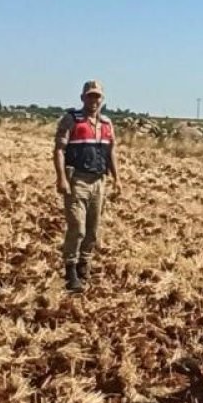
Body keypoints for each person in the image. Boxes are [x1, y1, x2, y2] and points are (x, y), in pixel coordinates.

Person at [54, 80, 122, 292]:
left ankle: (84, 265)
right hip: (77, 181)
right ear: (82, 98)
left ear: (102, 99)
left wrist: (117, 178)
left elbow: (111, 152)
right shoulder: (71, 120)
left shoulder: (106, 123)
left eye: (97, 96)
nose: (94, 100)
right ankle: (71, 271)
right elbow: (59, 150)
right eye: (90, 96)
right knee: (77, 227)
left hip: (99, 181)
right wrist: (61, 178)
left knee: (93, 230)